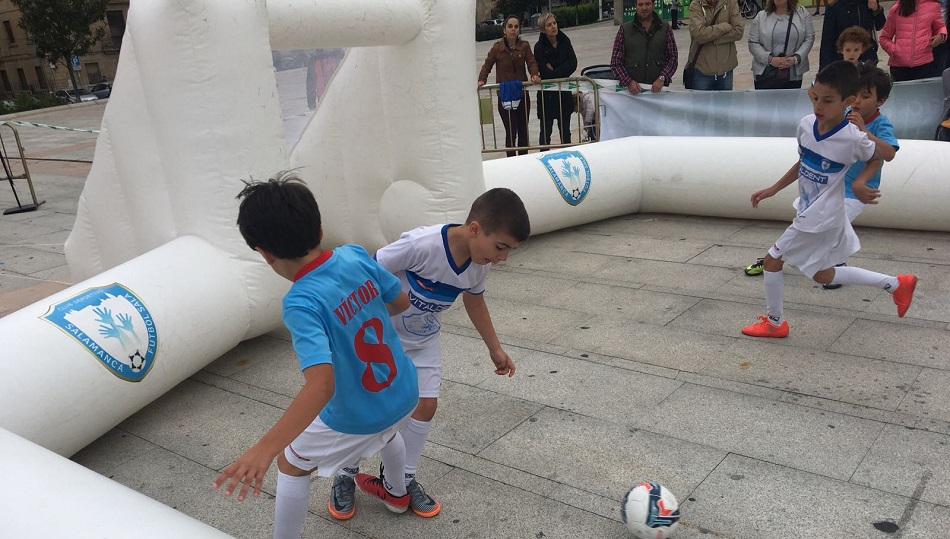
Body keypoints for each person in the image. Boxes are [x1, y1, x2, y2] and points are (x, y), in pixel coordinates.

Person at [213, 173, 420, 538]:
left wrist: (263, 448)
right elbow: (400, 302)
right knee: (389, 433)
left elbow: (321, 384)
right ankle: (397, 495)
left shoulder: (301, 302)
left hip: (359, 413)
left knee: (290, 463)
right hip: (403, 391)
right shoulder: (354, 255)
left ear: (264, 253)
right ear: (320, 230)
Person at [328, 188, 531, 519]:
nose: (502, 257)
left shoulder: (480, 263)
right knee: (363, 408)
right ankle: (345, 474)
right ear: (476, 229)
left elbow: (474, 299)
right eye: (500, 247)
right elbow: (367, 270)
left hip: (423, 341)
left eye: (508, 251)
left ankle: (401, 480)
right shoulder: (421, 245)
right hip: (379, 340)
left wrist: (494, 347)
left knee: (426, 406)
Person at [741, 61, 917, 338]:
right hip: (810, 211)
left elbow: (878, 157)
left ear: (848, 102)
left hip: (822, 217)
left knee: (773, 260)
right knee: (823, 274)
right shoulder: (806, 125)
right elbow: (803, 162)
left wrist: (859, 183)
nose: (818, 106)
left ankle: (775, 323)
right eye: (815, 98)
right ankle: (896, 284)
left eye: (828, 100)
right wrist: (774, 188)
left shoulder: (853, 137)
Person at [478, 15, 542, 157]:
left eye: (516, 27)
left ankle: (524, 159)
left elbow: (532, 62)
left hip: (522, 94)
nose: (513, 29)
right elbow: (487, 65)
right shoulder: (497, 48)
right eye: (510, 26)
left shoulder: (524, 46)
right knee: (511, 131)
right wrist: (482, 80)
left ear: (519, 30)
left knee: (523, 130)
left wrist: (534, 74)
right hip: (505, 96)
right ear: (504, 30)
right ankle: (511, 160)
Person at [611, 0, 679, 94]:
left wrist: (662, 78)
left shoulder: (665, 28)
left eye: (647, 4)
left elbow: (673, 58)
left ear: (653, 5)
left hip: (659, 93)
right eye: (640, 4)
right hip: (632, 94)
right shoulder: (624, 30)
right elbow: (616, 63)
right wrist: (628, 81)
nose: (644, 8)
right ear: (635, 6)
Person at [534, 13, 578, 149]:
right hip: (547, 96)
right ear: (543, 29)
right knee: (546, 132)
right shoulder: (539, 47)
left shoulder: (565, 40)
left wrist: (555, 71)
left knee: (565, 131)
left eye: (554, 23)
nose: (553, 27)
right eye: (549, 25)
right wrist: (561, 69)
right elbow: (545, 72)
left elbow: (573, 63)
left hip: (563, 93)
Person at [749, 0, 816, 89]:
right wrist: (770, 59)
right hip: (766, 74)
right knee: (765, 102)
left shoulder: (802, 14)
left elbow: (809, 38)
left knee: (790, 102)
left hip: (792, 74)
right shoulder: (761, 16)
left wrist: (796, 58)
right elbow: (753, 42)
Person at [879, 0, 948, 82]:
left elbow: (940, 27)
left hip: (924, 65)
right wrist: (894, 50)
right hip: (899, 67)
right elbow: (884, 38)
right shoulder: (896, 9)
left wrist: (941, 36)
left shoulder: (933, 6)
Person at [687, 0, 745, 90]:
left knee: (724, 104)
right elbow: (699, 35)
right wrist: (724, 27)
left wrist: (712, 39)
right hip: (701, 70)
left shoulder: (730, 2)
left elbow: (739, 31)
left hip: (726, 69)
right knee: (700, 103)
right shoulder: (696, 5)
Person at [818, 0, 886, 71]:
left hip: (867, 57)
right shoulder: (834, 7)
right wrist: (823, 70)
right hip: (843, 61)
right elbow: (827, 41)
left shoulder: (868, 3)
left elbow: (880, 25)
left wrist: (876, 10)